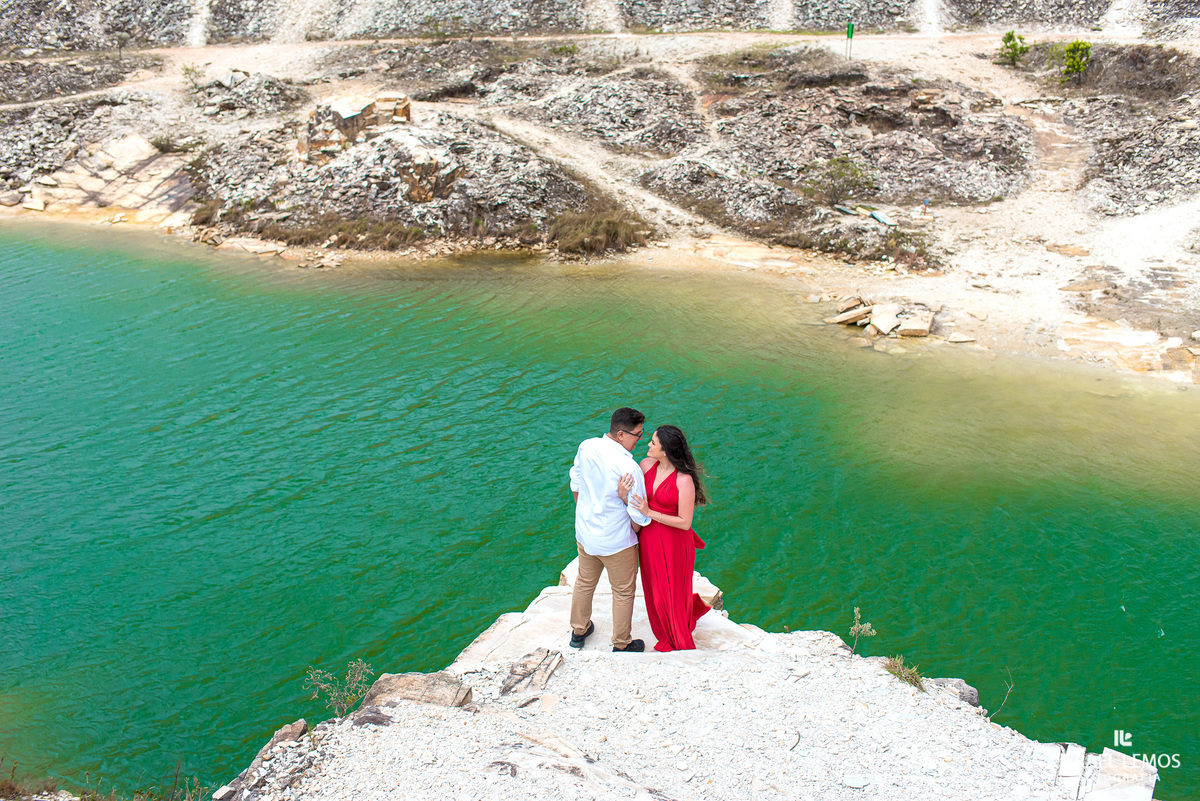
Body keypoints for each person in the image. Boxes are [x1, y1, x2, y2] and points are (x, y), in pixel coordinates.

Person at [567, 407, 652, 652]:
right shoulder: (629, 468)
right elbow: (639, 514)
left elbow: (575, 482)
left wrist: (586, 514)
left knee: (584, 582)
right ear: (621, 434)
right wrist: (635, 530)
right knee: (623, 592)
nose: (640, 439)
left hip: (586, 534)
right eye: (637, 434)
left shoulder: (586, 447)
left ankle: (578, 631)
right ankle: (621, 643)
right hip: (617, 541)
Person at [620, 424, 709, 652]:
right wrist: (623, 495)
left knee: (673, 590)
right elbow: (636, 502)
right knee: (655, 590)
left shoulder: (683, 479)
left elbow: (685, 522)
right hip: (649, 539)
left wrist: (650, 513)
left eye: (653, 443)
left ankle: (677, 634)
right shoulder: (645, 465)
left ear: (666, 451)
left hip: (675, 542)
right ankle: (663, 629)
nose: (648, 445)